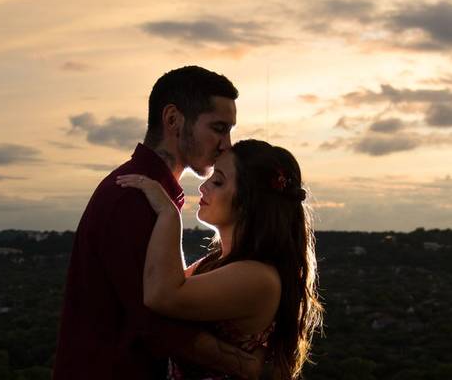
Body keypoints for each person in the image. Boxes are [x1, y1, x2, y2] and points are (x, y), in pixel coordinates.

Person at [54, 66, 265, 380]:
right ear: (173, 120)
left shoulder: (157, 196)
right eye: (219, 128)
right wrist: (250, 367)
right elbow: (157, 325)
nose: (226, 144)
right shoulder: (131, 196)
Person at [117, 139, 323, 380]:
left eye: (218, 181)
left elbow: (161, 294)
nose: (203, 187)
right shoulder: (216, 263)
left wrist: (169, 214)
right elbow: (167, 291)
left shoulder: (258, 277)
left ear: (247, 203)